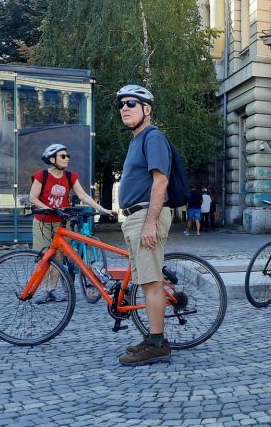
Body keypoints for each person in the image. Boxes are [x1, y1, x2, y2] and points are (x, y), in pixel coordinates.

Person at [114, 84, 174, 366]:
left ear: (146, 109)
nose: (124, 108)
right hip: (135, 217)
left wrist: (150, 222)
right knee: (145, 279)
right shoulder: (137, 139)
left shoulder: (153, 137)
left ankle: (158, 343)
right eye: (121, 104)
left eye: (131, 103)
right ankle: (152, 336)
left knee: (151, 281)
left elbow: (160, 180)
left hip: (146, 216)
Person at [29, 143, 111, 304]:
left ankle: (52, 290)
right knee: (43, 256)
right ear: (52, 159)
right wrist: (50, 209)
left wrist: (102, 209)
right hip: (42, 222)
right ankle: (45, 290)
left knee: (59, 257)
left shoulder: (70, 176)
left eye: (68, 156)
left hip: (61, 222)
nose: (67, 159)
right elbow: (33, 197)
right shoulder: (41, 176)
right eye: (63, 156)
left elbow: (83, 196)